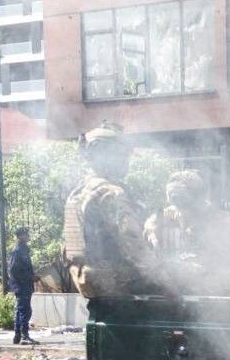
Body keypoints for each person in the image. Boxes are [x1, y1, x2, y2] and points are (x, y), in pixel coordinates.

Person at [63, 123, 165, 299]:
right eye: (122, 155)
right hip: (118, 290)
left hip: (90, 285)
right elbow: (134, 244)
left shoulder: (78, 192)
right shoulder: (109, 192)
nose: (126, 162)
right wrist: (165, 282)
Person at [145, 169, 230, 297]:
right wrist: (151, 234)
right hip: (187, 288)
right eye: (174, 203)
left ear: (199, 200)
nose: (179, 210)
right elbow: (152, 222)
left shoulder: (222, 221)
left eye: (184, 204)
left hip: (222, 288)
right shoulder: (173, 212)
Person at [8, 226, 37, 345]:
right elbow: (14, 270)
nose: (28, 236)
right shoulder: (18, 251)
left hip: (25, 285)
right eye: (25, 234)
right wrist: (30, 277)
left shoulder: (24, 250)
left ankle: (18, 336)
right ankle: (24, 336)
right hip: (21, 285)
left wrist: (32, 276)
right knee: (24, 311)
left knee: (22, 310)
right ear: (19, 236)